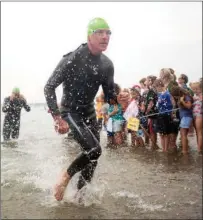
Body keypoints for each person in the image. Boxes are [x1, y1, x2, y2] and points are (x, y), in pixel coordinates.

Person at [44, 17, 116, 201]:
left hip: (89, 113)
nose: (105, 37)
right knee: (94, 150)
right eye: (100, 32)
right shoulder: (73, 58)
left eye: (108, 33)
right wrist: (58, 118)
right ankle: (64, 179)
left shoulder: (107, 65)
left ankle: (80, 198)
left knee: (93, 159)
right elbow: (49, 87)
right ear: (89, 36)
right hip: (70, 112)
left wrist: (116, 101)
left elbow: (109, 97)